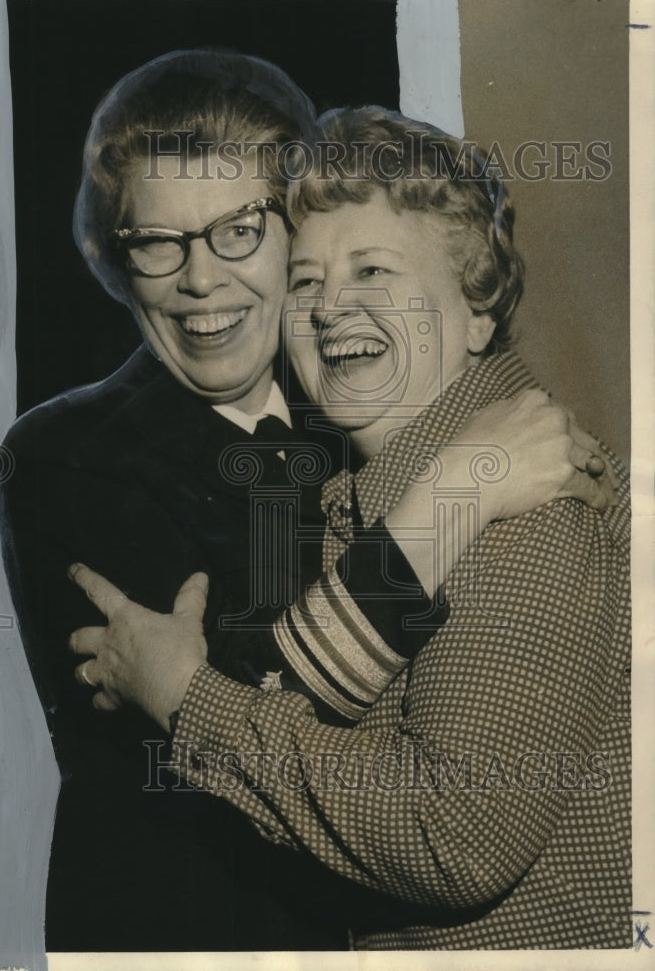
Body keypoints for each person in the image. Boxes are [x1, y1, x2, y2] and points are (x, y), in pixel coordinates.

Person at [68, 107, 631, 949]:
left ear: (478, 312)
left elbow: (456, 835)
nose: (330, 307)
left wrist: (189, 700)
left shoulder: (532, 517)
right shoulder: (370, 493)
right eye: (304, 280)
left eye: (372, 270)